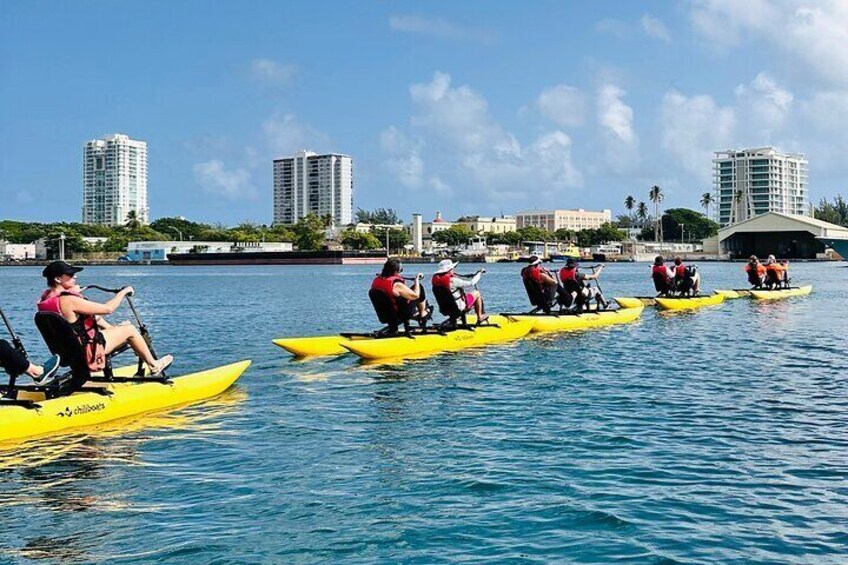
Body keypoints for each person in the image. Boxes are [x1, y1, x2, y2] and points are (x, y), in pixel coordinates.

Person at [36, 261, 173, 376]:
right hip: (89, 351)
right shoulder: (68, 300)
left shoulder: (46, 299)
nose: (75, 277)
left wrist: (73, 293)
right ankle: (154, 365)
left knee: (112, 325)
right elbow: (108, 309)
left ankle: (116, 331)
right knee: (130, 329)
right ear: (58, 279)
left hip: (69, 353)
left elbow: (78, 318)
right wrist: (123, 293)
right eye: (70, 275)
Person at [370, 258, 431, 324]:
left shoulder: (377, 280)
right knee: (419, 288)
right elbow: (415, 296)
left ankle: (414, 315)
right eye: (401, 270)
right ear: (396, 271)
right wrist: (416, 280)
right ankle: (423, 314)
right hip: (399, 315)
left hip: (384, 316)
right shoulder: (397, 285)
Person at [431, 259, 488, 323]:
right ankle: (480, 316)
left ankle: (456, 318)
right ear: (449, 270)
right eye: (452, 268)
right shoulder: (453, 281)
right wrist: (479, 273)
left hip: (445, 309)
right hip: (459, 307)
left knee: (461, 296)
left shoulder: (436, 282)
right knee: (476, 293)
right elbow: (471, 283)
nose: (453, 270)